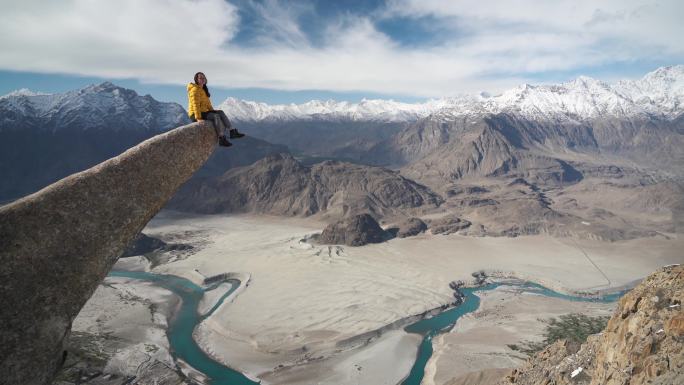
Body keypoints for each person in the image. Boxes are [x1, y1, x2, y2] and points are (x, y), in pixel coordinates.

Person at [187, 72, 245, 147]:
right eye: (200, 78)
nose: (202, 79)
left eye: (203, 78)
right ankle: (221, 138)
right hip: (195, 114)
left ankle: (232, 131)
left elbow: (208, 104)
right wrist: (198, 118)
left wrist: (212, 111)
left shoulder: (203, 90)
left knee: (220, 112)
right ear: (196, 80)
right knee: (216, 116)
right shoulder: (194, 90)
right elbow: (195, 105)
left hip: (203, 112)